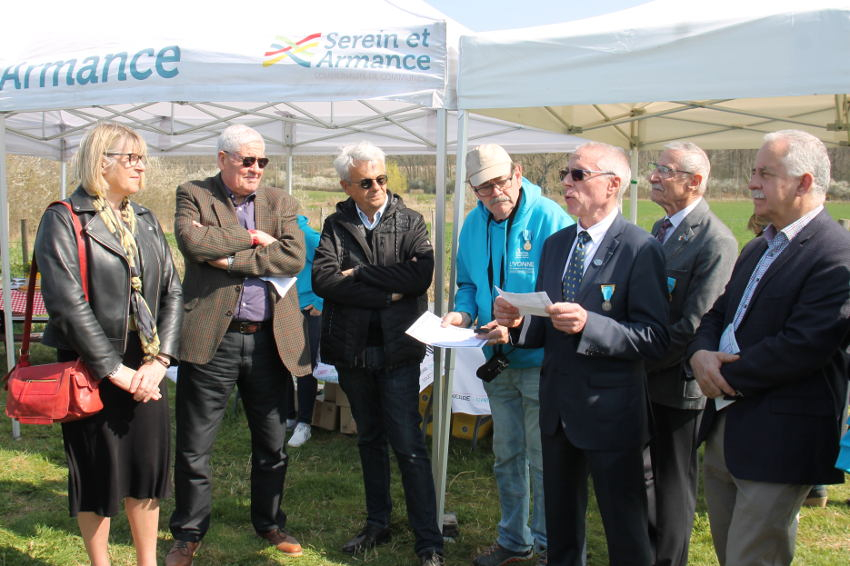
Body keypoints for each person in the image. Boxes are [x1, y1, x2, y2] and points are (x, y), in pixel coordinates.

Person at [494, 142, 670, 566]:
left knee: (624, 528)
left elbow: (655, 337)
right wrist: (517, 322)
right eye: (565, 175)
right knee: (561, 528)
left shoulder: (639, 248)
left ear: (612, 185)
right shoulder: (557, 245)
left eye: (578, 175)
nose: (566, 184)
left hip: (610, 412)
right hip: (557, 408)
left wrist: (591, 324)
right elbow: (545, 326)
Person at [688, 129, 850, 566]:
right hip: (727, 428)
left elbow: (804, 345)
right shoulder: (760, 245)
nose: (752, 182)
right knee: (729, 551)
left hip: (781, 438)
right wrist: (700, 354)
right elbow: (719, 313)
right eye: (754, 172)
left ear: (804, 182)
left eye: (765, 173)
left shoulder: (837, 254)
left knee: (752, 557)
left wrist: (720, 377)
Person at [34, 122, 183, 566]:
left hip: (147, 369)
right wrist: (115, 371)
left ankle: (147, 561)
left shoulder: (145, 219)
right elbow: (67, 304)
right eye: (131, 158)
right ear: (102, 162)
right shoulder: (63, 217)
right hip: (92, 368)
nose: (141, 166)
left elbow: (173, 290)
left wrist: (160, 360)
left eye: (142, 158)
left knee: (147, 471)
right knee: (96, 474)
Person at [167, 124, 311, 566]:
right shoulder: (192, 192)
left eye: (262, 161)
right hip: (212, 340)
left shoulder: (280, 202)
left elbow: (293, 257)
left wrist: (228, 259)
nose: (256, 168)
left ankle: (269, 522)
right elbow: (193, 241)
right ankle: (188, 533)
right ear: (222, 158)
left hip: (268, 342)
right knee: (194, 445)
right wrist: (251, 238)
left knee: (271, 442)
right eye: (247, 160)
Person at [312, 140, 444, 566]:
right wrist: (388, 292)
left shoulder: (410, 221)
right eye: (366, 182)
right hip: (353, 352)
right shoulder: (335, 225)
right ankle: (378, 522)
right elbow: (325, 281)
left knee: (407, 443)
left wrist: (365, 274)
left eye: (381, 179)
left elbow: (421, 274)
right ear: (346, 185)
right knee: (369, 438)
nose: (376, 188)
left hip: (399, 349)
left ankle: (429, 539)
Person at [441, 144, 571, 566]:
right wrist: (462, 312)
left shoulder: (550, 216)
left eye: (501, 181)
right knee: (506, 456)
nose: (495, 192)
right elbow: (466, 282)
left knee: (542, 458)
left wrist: (518, 327)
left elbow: (569, 292)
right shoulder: (472, 225)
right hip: (497, 361)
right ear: (473, 190)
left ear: (518, 172)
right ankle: (515, 541)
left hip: (542, 363)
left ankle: (551, 545)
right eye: (484, 187)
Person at [644, 141, 738, 566]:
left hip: (680, 383)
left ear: (695, 182)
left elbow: (695, 327)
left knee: (674, 483)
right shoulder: (659, 229)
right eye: (655, 167)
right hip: (648, 376)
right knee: (648, 478)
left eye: (665, 170)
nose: (654, 176)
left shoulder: (715, 240)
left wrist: (637, 356)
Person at [285, 213, 324, 448]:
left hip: (307, 309)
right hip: (282, 308)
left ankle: (304, 423)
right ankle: (288, 415)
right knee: (281, 364)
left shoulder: (305, 234)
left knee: (304, 367)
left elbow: (332, 263)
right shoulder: (270, 231)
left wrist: (320, 300)